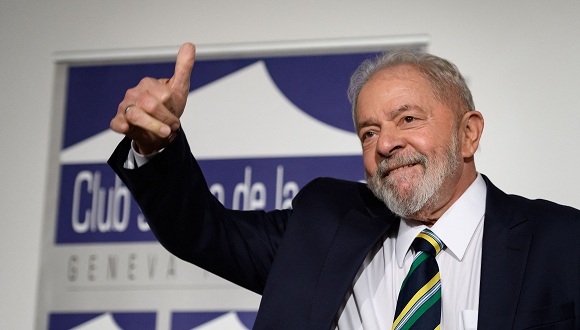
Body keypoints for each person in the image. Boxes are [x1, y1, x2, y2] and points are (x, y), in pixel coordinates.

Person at [109, 43, 580, 329]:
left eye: (408, 119)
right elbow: (202, 230)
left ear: (469, 133)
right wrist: (157, 145)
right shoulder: (324, 222)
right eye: (368, 132)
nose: (386, 144)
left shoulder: (562, 241)